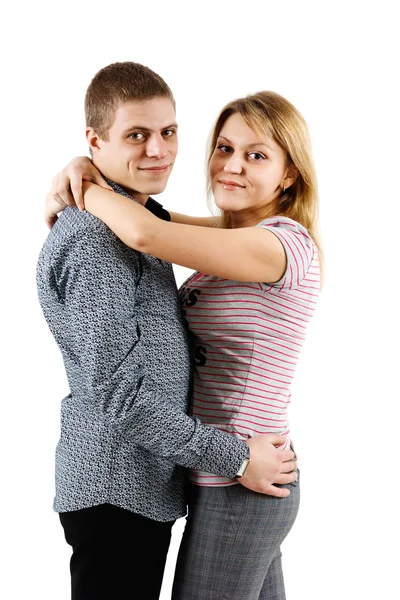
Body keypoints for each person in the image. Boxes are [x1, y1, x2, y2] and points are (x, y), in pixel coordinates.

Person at [47, 83, 321, 600]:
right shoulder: (230, 237)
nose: (231, 166)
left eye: (255, 155)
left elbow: (147, 233)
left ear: (288, 174)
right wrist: (80, 168)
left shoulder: (279, 245)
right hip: (223, 470)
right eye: (224, 148)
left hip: (244, 475)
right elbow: (152, 220)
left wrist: (86, 184)